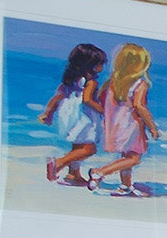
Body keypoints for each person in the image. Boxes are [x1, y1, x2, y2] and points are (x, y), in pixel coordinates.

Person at [84, 42, 158, 194]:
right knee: (134, 158)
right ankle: (100, 172)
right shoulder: (140, 84)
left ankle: (125, 186)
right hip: (132, 126)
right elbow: (139, 106)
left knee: (127, 156)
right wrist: (151, 127)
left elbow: (102, 101)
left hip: (116, 125)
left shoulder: (112, 82)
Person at [37, 42, 106, 185]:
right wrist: (103, 110)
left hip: (68, 115)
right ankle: (59, 163)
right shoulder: (91, 82)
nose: (103, 66)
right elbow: (87, 100)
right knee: (89, 148)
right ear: (91, 65)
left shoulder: (70, 80)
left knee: (77, 146)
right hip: (84, 116)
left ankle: (73, 175)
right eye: (100, 63)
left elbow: (58, 96)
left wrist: (48, 112)